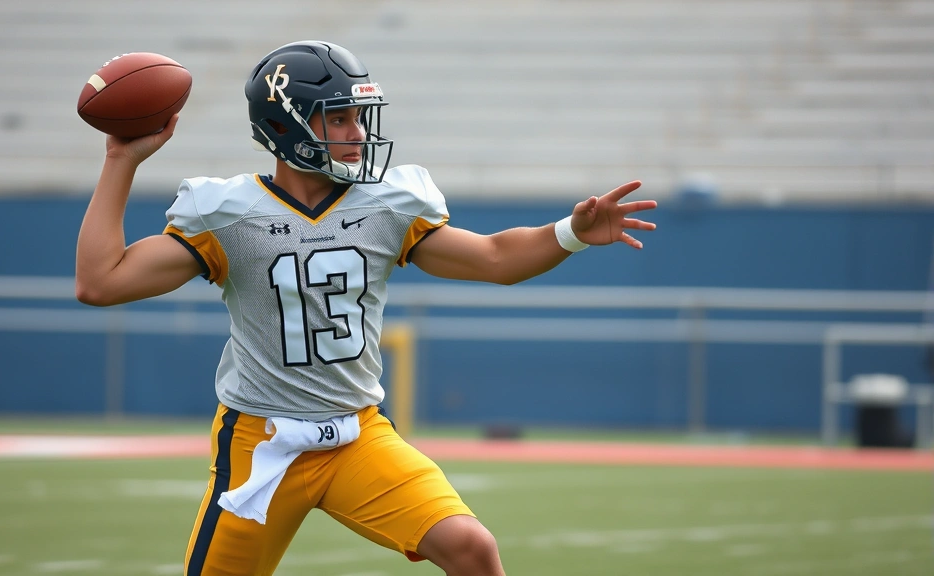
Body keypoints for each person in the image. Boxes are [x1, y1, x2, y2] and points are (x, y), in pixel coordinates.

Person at [75, 40, 657, 576]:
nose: (357, 131)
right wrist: (121, 160)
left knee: (472, 547)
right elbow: (100, 282)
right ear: (288, 124)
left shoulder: (386, 204)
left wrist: (570, 233)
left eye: (358, 115)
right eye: (339, 117)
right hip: (261, 443)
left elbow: (494, 259)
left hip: (358, 437)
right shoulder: (227, 213)